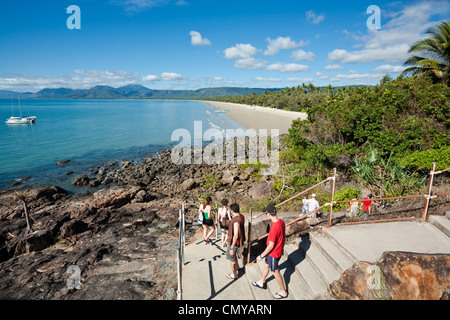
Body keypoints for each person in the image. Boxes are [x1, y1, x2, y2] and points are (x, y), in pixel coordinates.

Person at [251, 204, 288, 299]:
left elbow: (271, 246)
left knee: (275, 271)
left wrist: (261, 255)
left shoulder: (274, 228)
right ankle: (261, 281)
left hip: (273, 253)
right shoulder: (281, 222)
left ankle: (283, 291)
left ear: (268, 214)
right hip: (278, 250)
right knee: (266, 265)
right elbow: (283, 237)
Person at [226, 203, 245, 280]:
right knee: (234, 256)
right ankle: (237, 267)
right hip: (237, 242)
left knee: (232, 259)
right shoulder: (241, 217)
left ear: (232, 210)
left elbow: (236, 235)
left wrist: (231, 247)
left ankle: (234, 274)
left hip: (234, 243)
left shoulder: (236, 221)